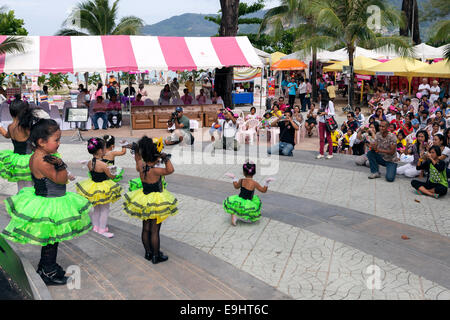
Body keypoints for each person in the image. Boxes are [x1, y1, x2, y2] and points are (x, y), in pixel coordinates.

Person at [2, 119, 92, 285]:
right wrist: (61, 165)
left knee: (51, 239)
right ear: (41, 142)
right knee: (51, 240)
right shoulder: (44, 161)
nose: (59, 143)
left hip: (46, 199)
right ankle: (48, 272)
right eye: (56, 140)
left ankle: (45, 266)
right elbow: (62, 179)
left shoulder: (37, 156)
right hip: (51, 203)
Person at [123, 136, 178, 264]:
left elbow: (137, 158)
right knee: (155, 230)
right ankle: (156, 255)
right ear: (156, 156)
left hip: (144, 199)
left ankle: (148, 253)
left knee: (145, 227)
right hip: (156, 200)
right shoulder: (156, 170)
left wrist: (137, 150)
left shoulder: (141, 166)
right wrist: (165, 158)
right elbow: (170, 170)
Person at [75, 138, 122, 238]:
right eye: (104, 148)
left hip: (92, 187)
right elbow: (112, 176)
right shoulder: (103, 165)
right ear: (100, 151)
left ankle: (95, 226)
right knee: (105, 209)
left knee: (96, 208)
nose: (106, 150)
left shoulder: (89, 162)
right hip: (103, 188)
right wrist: (114, 170)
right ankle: (102, 229)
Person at [223, 162, 274, 226]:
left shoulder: (241, 180)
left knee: (238, 207)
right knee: (250, 219)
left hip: (240, 199)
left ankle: (235, 215)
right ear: (254, 173)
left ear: (244, 172)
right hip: (248, 202)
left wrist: (234, 178)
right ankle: (237, 216)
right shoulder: (254, 183)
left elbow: (236, 186)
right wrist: (266, 182)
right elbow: (263, 190)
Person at [0, 101, 35, 191]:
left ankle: (21, 201)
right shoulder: (24, 127)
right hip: (28, 159)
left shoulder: (10, 127)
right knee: (31, 185)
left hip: (16, 160)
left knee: (21, 185)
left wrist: (0, 127)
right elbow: (34, 139)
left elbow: (6, 135)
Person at [316, 91, 335, 159]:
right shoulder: (321, 102)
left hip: (327, 122)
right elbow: (321, 110)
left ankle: (330, 153)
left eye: (320, 94)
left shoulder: (330, 103)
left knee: (329, 137)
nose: (319, 96)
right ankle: (321, 153)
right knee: (321, 138)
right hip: (321, 121)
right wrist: (319, 112)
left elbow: (333, 113)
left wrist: (325, 113)